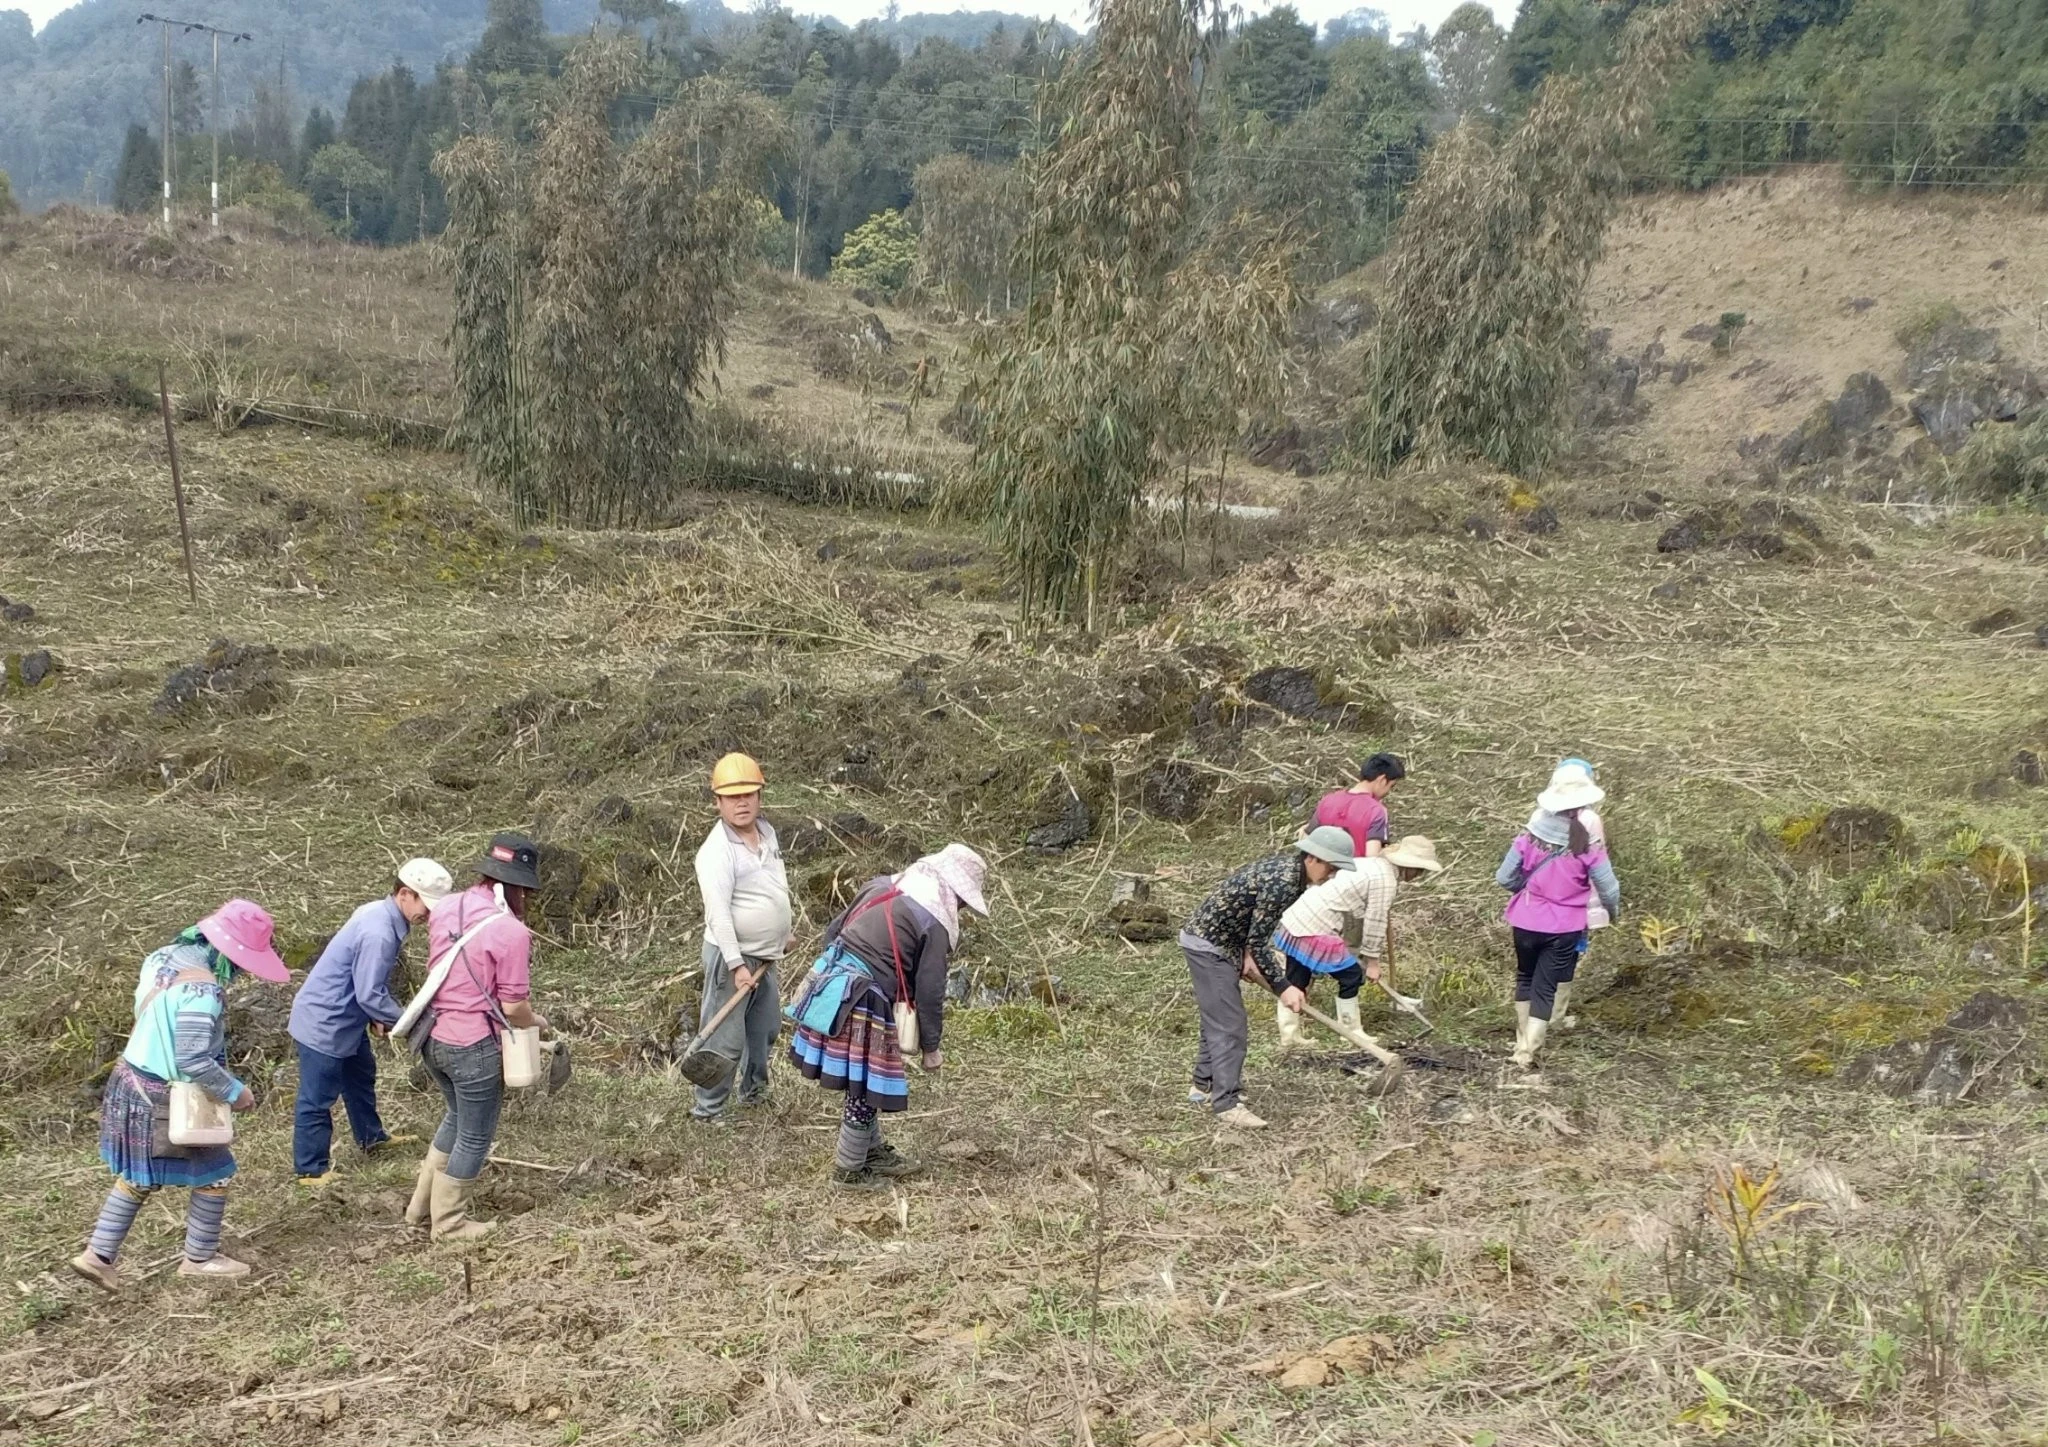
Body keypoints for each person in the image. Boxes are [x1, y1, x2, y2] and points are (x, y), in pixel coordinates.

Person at [70, 900, 291, 1292]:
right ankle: (200, 1258)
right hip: (166, 1095)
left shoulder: (164, 956)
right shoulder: (203, 991)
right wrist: (235, 1091)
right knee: (216, 1172)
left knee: (138, 1175)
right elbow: (192, 1058)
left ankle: (97, 1255)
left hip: (131, 1079)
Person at [788, 844, 987, 1189]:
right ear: (953, 892)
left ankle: (872, 1150)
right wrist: (931, 1048)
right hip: (865, 995)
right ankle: (849, 1170)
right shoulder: (934, 922)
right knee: (865, 1087)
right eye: (963, 901)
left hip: (833, 983)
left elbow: (833, 932)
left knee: (863, 1081)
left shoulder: (880, 885)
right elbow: (929, 990)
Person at [401, 833, 548, 1242]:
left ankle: (419, 1208)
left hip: (433, 1037)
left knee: (455, 1116)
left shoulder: (448, 907)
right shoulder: (512, 932)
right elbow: (514, 1006)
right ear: (518, 887)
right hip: (473, 1046)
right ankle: (449, 1224)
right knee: (475, 1134)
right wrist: (538, 1023)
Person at [1179, 826, 1357, 1131]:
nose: (1332, 875)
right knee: (1229, 1024)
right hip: (1208, 945)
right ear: (1313, 858)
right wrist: (1284, 986)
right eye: (1331, 867)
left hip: (1223, 942)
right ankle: (1227, 1104)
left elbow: (1255, 925)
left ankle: (1203, 1086)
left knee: (1218, 1017)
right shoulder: (1284, 881)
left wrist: (1247, 954)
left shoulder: (1292, 874)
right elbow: (1260, 940)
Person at [288, 859, 454, 1184]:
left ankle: (371, 1137)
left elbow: (365, 983)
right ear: (405, 894)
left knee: (360, 1076)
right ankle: (310, 1169)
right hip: (325, 1022)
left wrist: (376, 1014)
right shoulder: (379, 932)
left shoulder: (376, 912)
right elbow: (369, 993)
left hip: (347, 1018)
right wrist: (410, 1021)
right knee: (317, 1098)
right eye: (426, 905)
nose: (429, 915)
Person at [1272, 836, 1443, 1063]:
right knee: (1351, 976)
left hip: (1298, 917)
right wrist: (1372, 962)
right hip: (1315, 925)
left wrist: (1358, 950)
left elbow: (1355, 912)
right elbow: (1375, 921)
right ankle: (1350, 1031)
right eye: (1419, 870)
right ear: (1409, 866)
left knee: (1296, 979)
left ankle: (1289, 1036)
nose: (1420, 875)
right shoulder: (1385, 881)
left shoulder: (1370, 863)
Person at [1496, 771, 1621, 1077]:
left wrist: (1525, 891)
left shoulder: (1531, 833)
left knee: (1525, 978)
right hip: (1565, 925)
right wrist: (1612, 912)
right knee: (1546, 987)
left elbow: (1504, 876)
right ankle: (1529, 1052)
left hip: (1526, 919)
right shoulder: (1586, 840)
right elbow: (1608, 887)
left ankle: (1521, 1044)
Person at [691, 753, 793, 1123]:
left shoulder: (767, 833)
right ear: (718, 801)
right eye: (733, 797)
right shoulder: (715, 852)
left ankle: (755, 1094)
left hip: (765, 956)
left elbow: (774, 884)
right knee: (725, 1037)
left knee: (764, 1029)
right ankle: (708, 1110)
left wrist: (783, 932)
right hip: (732, 958)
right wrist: (736, 965)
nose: (742, 802)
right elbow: (718, 914)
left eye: (748, 794)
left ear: (759, 795)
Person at [1552, 758, 1609, 1026]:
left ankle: (1534, 1019)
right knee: (1567, 957)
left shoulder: (1541, 816)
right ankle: (1555, 1016)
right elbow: (1598, 865)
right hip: (1575, 902)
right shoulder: (1591, 820)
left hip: (1540, 903)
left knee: (1541, 958)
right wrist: (1608, 905)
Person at [1313, 753, 1405, 860]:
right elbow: (1372, 856)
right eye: (1391, 786)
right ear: (1382, 780)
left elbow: (1307, 837)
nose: (1388, 791)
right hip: (1355, 869)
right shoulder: (1376, 811)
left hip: (1323, 868)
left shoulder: (1327, 801)